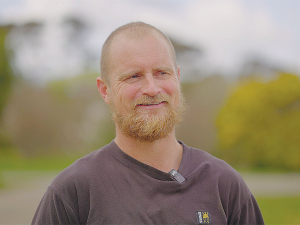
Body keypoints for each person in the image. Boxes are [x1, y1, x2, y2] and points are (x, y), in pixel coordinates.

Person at [32, 22, 264, 225]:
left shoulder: (224, 184)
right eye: (134, 76)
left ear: (178, 78)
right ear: (105, 90)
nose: (152, 89)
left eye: (162, 72)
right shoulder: (73, 192)